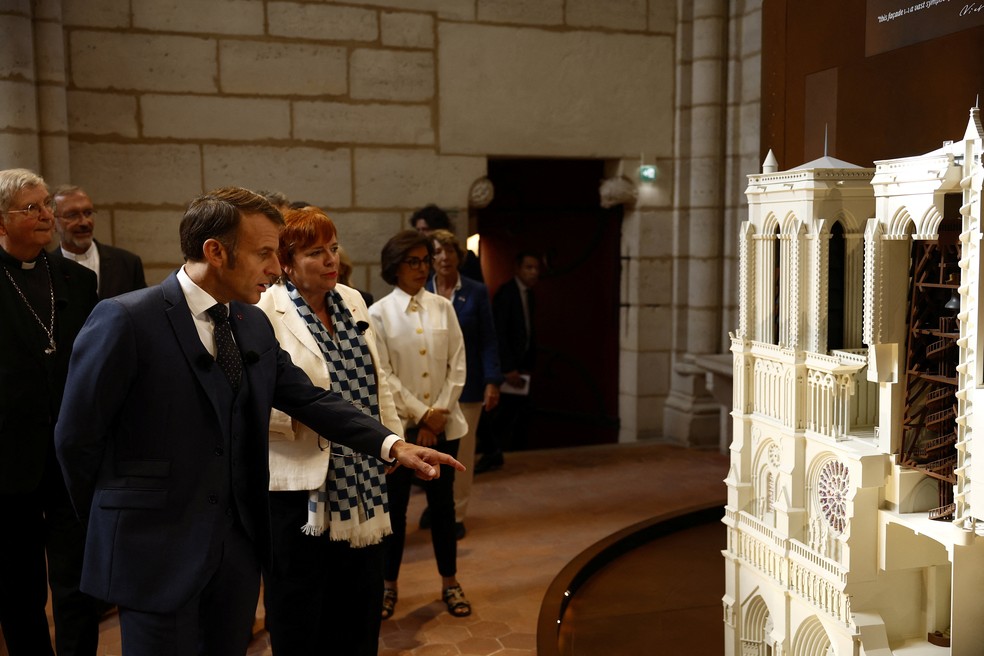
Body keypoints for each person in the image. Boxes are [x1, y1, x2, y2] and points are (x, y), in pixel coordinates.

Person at [54, 187, 462, 656]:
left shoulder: (250, 323)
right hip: (154, 552)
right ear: (216, 251)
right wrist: (118, 519)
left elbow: (309, 399)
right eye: (265, 253)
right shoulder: (126, 318)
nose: (275, 267)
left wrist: (393, 445)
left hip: (235, 555)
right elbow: (75, 439)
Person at [256, 207, 399, 656]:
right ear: (287, 262)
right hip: (299, 483)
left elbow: (381, 380)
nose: (330, 260)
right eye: (315, 253)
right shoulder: (265, 310)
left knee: (359, 601)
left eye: (333, 249)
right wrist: (307, 415)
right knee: (300, 606)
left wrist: (391, 440)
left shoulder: (354, 301)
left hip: (363, 475)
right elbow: (254, 400)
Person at [0, 168, 101, 656]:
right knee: (18, 588)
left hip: (70, 456)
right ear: (1, 220)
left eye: (44, 206)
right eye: (31, 208)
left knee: (78, 581)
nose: (45, 216)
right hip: (6, 460)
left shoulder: (78, 281)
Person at [369, 229, 473, 619]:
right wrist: (421, 415)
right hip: (401, 431)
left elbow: (458, 363)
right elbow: (385, 375)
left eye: (424, 260)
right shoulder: (379, 312)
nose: (421, 268)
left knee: (443, 508)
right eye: (412, 261)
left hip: (446, 426)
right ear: (394, 267)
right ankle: (388, 586)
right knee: (395, 511)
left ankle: (450, 582)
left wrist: (440, 411)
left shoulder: (443, 307)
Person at [424, 229, 502, 539]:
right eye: (437, 252)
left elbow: (488, 339)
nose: (444, 258)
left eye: (449, 251)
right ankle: (436, 505)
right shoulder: (422, 292)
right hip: (428, 388)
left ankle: (456, 513)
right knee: (429, 449)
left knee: (463, 452)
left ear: (459, 256)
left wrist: (492, 381)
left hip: (468, 387)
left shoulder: (476, 291)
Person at [476, 251, 541, 473]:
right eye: (529, 267)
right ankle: (490, 451)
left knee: (515, 414)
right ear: (517, 268)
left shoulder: (530, 294)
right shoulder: (507, 293)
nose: (533, 273)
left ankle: (498, 452)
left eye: (536, 268)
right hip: (506, 368)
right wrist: (507, 367)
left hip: (522, 366)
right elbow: (499, 333)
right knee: (496, 414)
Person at [50, 185, 146, 299]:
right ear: (53, 223)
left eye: (88, 213)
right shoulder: (48, 268)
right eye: (72, 215)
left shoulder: (127, 264)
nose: (84, 222)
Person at [410, 203, 483, 282]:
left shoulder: (467, 258)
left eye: (425, 230)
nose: (420, 235)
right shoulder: (420, 259)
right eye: (418, 230)